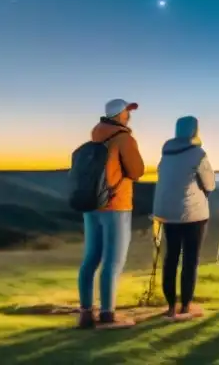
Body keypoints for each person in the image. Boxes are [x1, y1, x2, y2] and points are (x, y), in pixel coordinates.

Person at [77, 99, 146, 330]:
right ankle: (107, 313)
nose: (130, 115)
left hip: (91, 204)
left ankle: (86, 312)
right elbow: (137, 171)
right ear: (119, 115)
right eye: (127, 111)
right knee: (113, 261)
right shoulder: (124, 139)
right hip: (116, 205)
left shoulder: (95, 137)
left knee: (90, 259)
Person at [152, 115, 216, 320]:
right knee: (190, 259)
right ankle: (186, 305)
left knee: (171, 258)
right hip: (192, 213)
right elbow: (210, 184)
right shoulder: (198, 153)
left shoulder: (166, 153)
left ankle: (171, 306)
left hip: (166, 213)